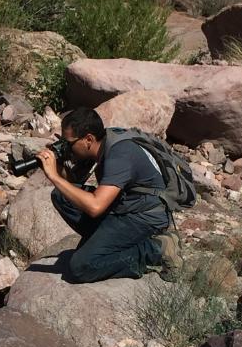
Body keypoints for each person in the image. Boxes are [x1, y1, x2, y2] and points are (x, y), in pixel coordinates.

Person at [35, 107, 182, 283]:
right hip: (125, 206)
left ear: (88, 139)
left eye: (69, 143)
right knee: (61, 196)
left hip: (144, 217)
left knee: (80, 268)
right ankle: (103, 244)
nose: (68, 147)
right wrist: (56, 167)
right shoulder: (102, 143)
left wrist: (53, 177)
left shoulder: (120, 153)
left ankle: (157, 249)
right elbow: (74, 182)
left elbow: (95, 207)